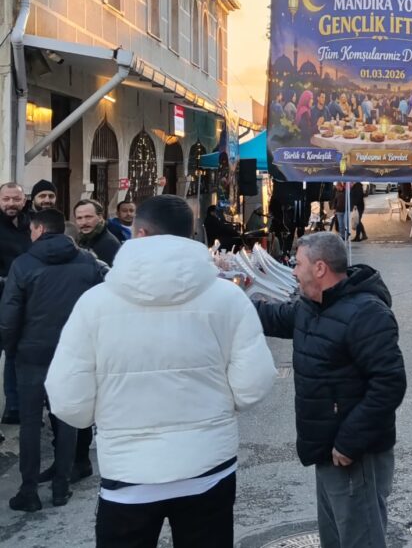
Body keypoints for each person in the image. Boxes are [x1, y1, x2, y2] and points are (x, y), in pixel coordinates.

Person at [45, 195, 276, 547]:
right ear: (191, 235)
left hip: (128, 474)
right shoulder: (228, 300)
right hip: (207, 468)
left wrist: (103, 417)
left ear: (138, 233)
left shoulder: (94, 304)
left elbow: (66, 398)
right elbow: (253, 383)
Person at [254, 232, 407, 546]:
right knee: (336, 539)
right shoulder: (311, 306)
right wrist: (226, 295)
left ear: (320, 268)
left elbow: (390, 384)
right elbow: (271, 317)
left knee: (359, 539)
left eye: (298, 264)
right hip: (327, 450)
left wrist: (349, 443)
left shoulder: (366, 313)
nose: (293, 271)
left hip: (353, 455)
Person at [1, 209, 104, 512]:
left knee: (31, 423)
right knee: (66, 417)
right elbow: (100, 305)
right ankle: (61, 486)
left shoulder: (24, 264)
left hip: (32, 353)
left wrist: (12, 348)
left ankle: (28, 491)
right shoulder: (87, 262)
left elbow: (8, 316)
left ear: (38, 229)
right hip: (73, 352)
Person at [0, 182, 31, 426]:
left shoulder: (30, 224)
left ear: (24, 200)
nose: (11, 203)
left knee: (14, 354)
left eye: (16, 199)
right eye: (6, 199)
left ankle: (13, 406)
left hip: (23, 302)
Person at [73, 199, 121, 267]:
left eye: (88, 217)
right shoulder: (82, 239)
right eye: (79, 218)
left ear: (100, 217)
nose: (84, 222)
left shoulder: (109, 243)